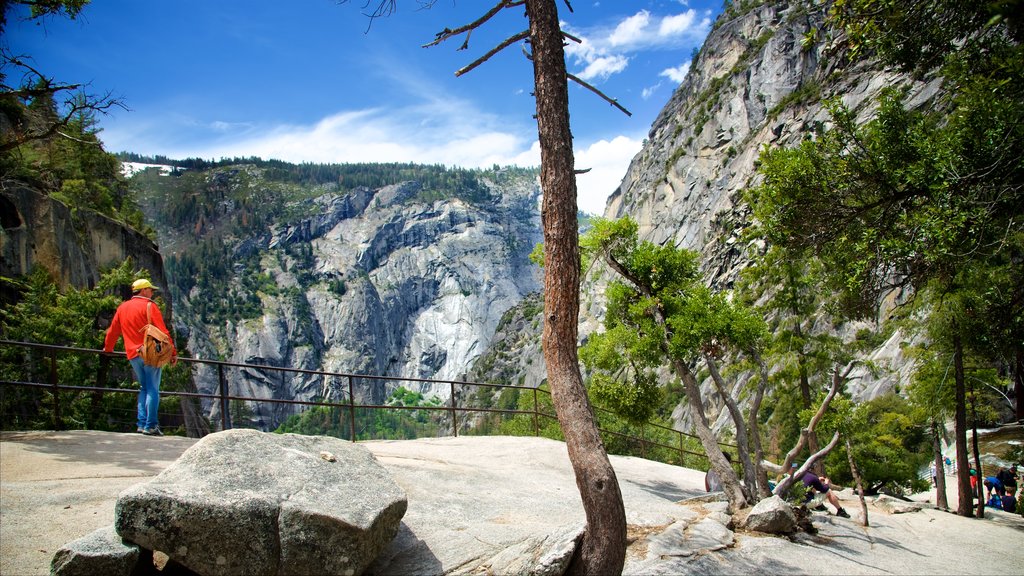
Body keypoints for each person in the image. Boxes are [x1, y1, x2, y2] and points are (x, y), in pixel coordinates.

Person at [103, 279, 177, 436]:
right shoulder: (150, 306)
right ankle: (151, 426)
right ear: (143, 291)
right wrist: (173, 353)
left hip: (133, 355)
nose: (152, 293)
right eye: (150, 290)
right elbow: (163, 332)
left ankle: (141, 423)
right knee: (153, 389)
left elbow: (113, 331)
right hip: (150, 353)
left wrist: (108, 348)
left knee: (144, 388)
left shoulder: (122, 308)